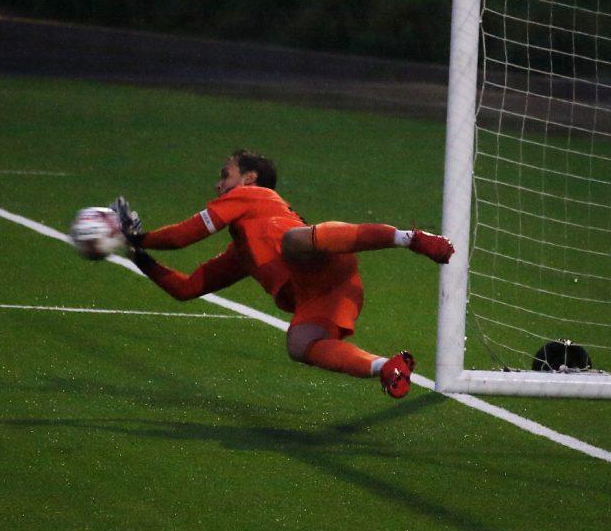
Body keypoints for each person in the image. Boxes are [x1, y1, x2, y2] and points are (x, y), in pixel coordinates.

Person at [110, 149, 454, 399]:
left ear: (249, 179)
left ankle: (411, 239)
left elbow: (186, 235)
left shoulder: (253, 195)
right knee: (299, 343)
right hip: (330, 293)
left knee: (292, 240)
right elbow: (185, 289)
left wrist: (139, 236)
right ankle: (387, 367)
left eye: (224, 175)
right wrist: (138, 256)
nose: (218, 185)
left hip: (321, 261)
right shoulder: (242, 254)